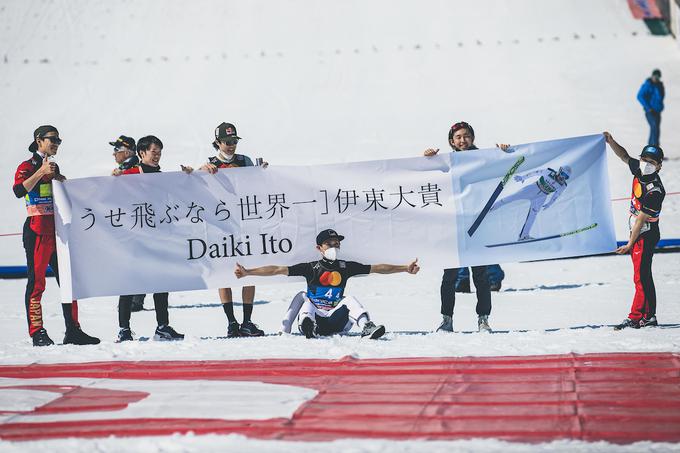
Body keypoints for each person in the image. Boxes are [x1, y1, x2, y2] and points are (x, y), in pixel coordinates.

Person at [234, 229, 420, 339]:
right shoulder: (311, 267)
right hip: (314, 319)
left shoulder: (345, 267)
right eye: (329, 243)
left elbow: (378, 268)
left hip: (335, 320)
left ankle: (367, 327)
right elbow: (277, 270)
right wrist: (248, 272)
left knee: (349, 299)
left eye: (336, 243)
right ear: (319, 248)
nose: (334, 246)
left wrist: (405, 268)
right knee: (303, 296)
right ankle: (296, 328)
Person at [12, 125, 100, 346]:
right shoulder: (27, 165)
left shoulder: (53, 165)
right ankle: (37, 332)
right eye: (53, 140)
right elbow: (18, 191)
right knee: (37, 283)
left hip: (58, 232)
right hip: (37, 231)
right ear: (39, 140)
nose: (56, 144)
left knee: (69, 281)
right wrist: (41, 173)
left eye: (59, 141)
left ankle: (73, 330)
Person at [423, 121, 509, 332]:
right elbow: (424, 180)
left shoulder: (484, 159)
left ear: (473, 138)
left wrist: (503, 154)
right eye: (459, 137)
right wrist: (427, 160)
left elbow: (503, 172)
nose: (463, 140)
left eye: (467, 136)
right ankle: (447, 319)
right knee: (449, 276)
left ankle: (483, 319)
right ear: (451, 141)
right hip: (452, 228)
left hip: (477, 226)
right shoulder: (443, 163)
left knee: (481, 276)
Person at [196, 122, 265, 338]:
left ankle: (247, 321)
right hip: (222, 227)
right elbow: (192, 185)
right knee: (224, 275)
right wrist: (199, 171)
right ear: (217, 143)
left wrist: (264, 172)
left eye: (234, 141)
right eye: (227, 142)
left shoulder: (245, 161)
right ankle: (231, 322)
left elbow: (260, 184)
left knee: (249, 272)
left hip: (245, 225)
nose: (231, 145)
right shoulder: (210, 164)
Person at [113, 135, 185, 342]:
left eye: (159, 152)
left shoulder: (163, 177)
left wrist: (188, 177)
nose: (157, 156)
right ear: (142, 153)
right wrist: (115, 177)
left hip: (158, 238)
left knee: (161, 282)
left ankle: (162, 326)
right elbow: (109, 192)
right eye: (154, 152)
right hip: (134, 238)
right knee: (129, 284)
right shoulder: (130, 174)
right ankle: (124, 329)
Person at [604, 132, 665, 330]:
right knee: (643, 275)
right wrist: (611, 141)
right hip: (638, 232)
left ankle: (636, 317)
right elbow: (624, 156)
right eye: (645, 159)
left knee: (640, 276)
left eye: (652, 161)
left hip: (644, 234)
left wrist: (630, 243)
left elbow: (641, 219)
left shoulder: (655, 190)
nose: (646, 163)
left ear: (659, 166)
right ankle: (648, 316)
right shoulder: (639, 170)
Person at [109, 135, 146, 313]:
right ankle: (131, 299)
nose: (113, 154)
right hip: (126, 222)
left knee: (138, 259)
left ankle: (135, 301)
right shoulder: (123, 169)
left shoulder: (137, 169)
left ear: (128, 151)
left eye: (117, 150)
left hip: (139, 222)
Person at [489, 165, 572, 241]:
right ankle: (492, 207)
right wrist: (523, 178)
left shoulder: (563, 185)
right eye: (563, 174)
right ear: (559, 171)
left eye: (566, 177)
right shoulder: (548, 172)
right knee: (513, 197)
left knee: (533, 215)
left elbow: (556, 195)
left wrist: (550, 203)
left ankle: (523, 236)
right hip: (533, 188)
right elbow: (534, 173)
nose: (563, 177)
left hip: (542, 197)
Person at [637, 69, 664, 145]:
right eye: (655, 76)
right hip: (650, 111)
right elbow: (639, 96)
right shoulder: (648, 85)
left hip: (657, 111)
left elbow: (660, 98)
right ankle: (651, 151)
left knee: (656, 130)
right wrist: (648, 107)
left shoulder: (659, 86)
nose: (656, 78)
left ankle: (655, 152)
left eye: (658, 77)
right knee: (654, 128)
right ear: (652, 76)